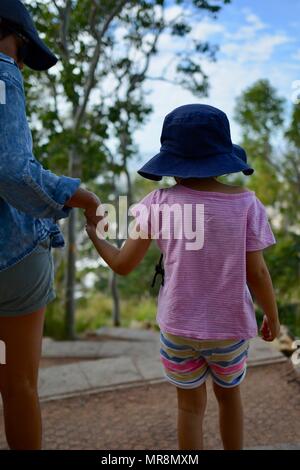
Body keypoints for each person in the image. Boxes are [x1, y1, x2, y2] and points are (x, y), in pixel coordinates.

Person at [86, 104, 280, 450]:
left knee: (189, 408)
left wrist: (96, 233)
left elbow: (123, 264)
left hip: (177, 329)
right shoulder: (246, 204)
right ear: (222, 158)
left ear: (171, 164)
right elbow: (258, 272)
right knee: (229, 399)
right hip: (229, 329)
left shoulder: (157, 203)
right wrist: (272, 317)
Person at [0, 0, 100, 450]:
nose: (18, 60)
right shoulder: (2, 76)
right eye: (20, 48)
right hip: (11, 255)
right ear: (12, 37)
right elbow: (12, 170)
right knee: (17, 382)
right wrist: (79, 196)